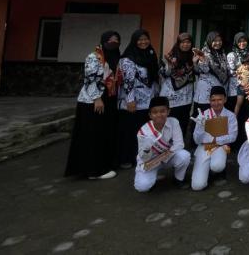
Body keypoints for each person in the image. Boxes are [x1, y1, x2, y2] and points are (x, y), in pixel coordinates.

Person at [65, 31, 121, 180]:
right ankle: (94, 171)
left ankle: (102, 165)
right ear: (103, 41)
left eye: (116, 41)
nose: (113, 43)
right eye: (110, 41)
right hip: (92, 101)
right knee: (92, 135)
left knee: (102, 134)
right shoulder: (94, 57)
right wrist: (97, 98)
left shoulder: (116, 57)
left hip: (108, 99)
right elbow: (90, 78)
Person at [117, 29, 159, 168]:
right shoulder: (128, 59)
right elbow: (128, 82)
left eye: (146, 39)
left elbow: (154, 78)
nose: (143, 42)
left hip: (148, 101)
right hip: (133, 102)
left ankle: (141, 157)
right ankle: (126, 158)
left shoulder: (150, 54)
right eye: (140, 39)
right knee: (130, 131)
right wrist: (130, 100)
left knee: (144, 132)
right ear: (134, 41)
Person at [134, 96, 191, 192]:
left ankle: (178, 179)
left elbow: (179, 144)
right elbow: (144, 157)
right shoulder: (143, 132)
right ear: (150, 115)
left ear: (168, 112)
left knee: (184, 155)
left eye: (162, 111)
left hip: (167, 157)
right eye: (155, 112)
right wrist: (147, 149)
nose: (159, 114)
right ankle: (152, 177)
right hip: (150, 162)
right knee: (142, 187)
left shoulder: (174, 122)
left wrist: (164, 157)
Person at [190, 87, 238, 191]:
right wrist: (201, 128)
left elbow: (233, 137)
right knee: (197, 186)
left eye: (219, 99)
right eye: (213, 100)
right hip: (204, 147)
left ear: (225, 99)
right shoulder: (203, 115)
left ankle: (217, 170)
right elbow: (196, 140)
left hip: (220, 146)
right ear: (209, 101)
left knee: (217, 166)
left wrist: (215, 140)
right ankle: (205, 172)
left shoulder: (230, 116)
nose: (216, 103)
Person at [160, 32, 200, 138]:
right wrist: (170, 65)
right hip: (171, 93)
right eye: (183, 42)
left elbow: (197, 72)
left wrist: (194, 62)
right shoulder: (170, 56)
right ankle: (166, 147)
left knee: (183, 120)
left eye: (188, 42)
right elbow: (164, 74)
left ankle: (180, 147)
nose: (186, 45)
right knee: (170, 120)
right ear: (178, 43)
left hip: (186, 94)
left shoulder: (193, 56)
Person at [194, 31, 231, 114]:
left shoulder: (222, 53)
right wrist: (203, 59)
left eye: (220, 40)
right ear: (210, 41)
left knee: (216, 116)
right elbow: (204, 69)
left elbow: (226, 70)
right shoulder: (203, 53)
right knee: (204, 115)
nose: (218, 43)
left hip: (219, 88)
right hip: (206, 89)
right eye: (215, 41)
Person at [226, 32, 249, 143]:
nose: (242, 43)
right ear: (236, 42)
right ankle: (233, 141)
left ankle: (247, 140)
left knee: (247, 114)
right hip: (235, 89)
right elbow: (231, 71)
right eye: (240, 41)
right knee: (236, 112)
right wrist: (241, 82)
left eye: (244, 41)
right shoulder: (231, 55)